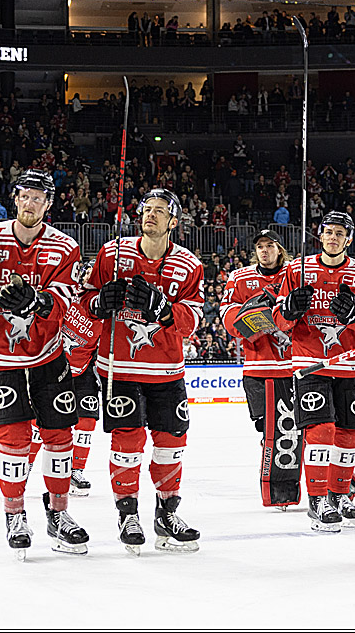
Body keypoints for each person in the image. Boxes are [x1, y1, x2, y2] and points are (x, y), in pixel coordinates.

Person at [0, 169, 89, 557]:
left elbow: (64, 300)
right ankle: (14, 515)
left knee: (59, 438)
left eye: (38, 198)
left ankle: (58, 513)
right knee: (13, 441)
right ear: (15, 199)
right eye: (25, 196)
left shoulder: (64, 246)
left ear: (48, 204)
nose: (30, 203)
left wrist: (37, 301)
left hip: (48, 356)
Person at [82, 188, 204, 554]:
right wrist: (99, 302)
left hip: (167, 371)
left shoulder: (189, 264)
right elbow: (83, 301)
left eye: (159, 211)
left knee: (172, 443)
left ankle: (167, 514)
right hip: (119, 369)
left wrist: (165, 310)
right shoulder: (112, 253)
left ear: (173, 221)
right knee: (128, 443)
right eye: (146, 209)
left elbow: (193, 320)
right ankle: (128, 515)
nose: (150, 214)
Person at [273, 211, 355, 532]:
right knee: (320, 430)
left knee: (349, 430)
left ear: (349, 239)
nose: (333, 237)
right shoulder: (297, 269)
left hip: (348, 363)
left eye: (339, 233)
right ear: (320, 235)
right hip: (309, 363)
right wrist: (289, 309)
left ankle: (339, 494)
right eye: (328, 232)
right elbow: (279, 320)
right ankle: (317, 500)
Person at [221, 229, 299, 507]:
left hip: (294, 367)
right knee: (267, 431)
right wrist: (252, 314)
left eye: (270, 245)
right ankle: (280, 486)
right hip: (257, 367)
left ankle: (335, 480)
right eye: (260, 246)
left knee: (301, 430)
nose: (264, 250)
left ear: (280, 249)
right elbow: (228, 319)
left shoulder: (296, 273)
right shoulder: (239, 278)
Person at [57, 260, 104, 496]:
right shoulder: (68, 292)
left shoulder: (106, 308)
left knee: (87, 421)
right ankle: (27, 464)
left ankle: (76, 470)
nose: (89, 278)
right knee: (39, 422)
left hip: (84, 370)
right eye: (87, 273)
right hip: (54, 366)